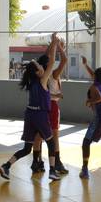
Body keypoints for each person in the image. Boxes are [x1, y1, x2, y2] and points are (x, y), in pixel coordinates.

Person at [0, 34, 62, 181]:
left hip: (29, 115)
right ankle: (52, 171)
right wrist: (54, 43)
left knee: (27, 148)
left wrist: (52, 44)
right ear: (38, 72)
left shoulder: (32, 82)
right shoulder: (42, 80)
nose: (42, 67)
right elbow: (51, 61)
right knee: (51, 143)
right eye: (40, 67)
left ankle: (6, 166)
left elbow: (44, 60)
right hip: (40, 115)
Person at [31, 38, 68, 174]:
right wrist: (59, 47)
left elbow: (46, 57)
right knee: (55, 135)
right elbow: (64, 60)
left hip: (39, 106)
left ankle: (37, 162)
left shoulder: (37, 75)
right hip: (51, 105)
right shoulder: (52, 74)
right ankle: (57, 162)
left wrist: (53, 43)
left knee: (39, 135)